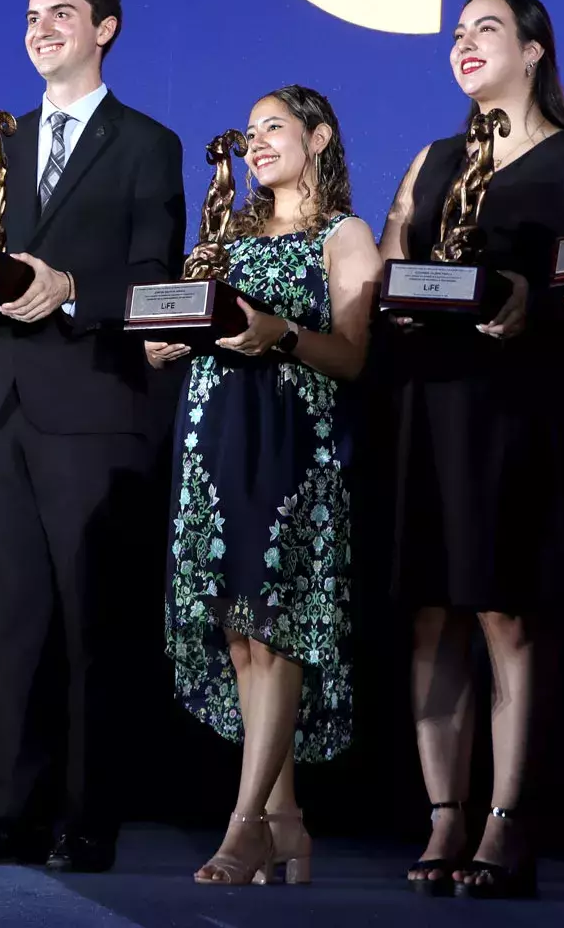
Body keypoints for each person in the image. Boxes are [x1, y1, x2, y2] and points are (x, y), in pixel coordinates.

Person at [0, 0, 185, 874]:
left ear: (104, 29)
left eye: (62, 14)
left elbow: (158, 280)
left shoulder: (149, 143)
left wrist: (74, 289)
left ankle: (88, 819)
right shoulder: (1, 142)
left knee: (92, 629)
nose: (41, 29)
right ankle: (13, 814)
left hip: (91, 406)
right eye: (32, 16)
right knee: (12, 626)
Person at [379, 0, 564, 900]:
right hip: (427, 401)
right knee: (432, 611)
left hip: (517, 406)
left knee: (506, 612)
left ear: (534, 51)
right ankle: (444, 815)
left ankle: (507, 822)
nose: (463, 44)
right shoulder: (430, 159)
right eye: (456, 33)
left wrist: (535, 301)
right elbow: (399, 262)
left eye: (485, 29)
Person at [146, 86, 378, 885]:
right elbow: (176, 324)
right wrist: (166, 344)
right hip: (214, 438)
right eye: (250, 133)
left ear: (319, 137)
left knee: (274, 629)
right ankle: (285, 820)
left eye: (273, 128)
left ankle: (245, 827)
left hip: (292, 445)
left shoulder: (343, 235)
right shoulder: (227, 237)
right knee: (240, 636)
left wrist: (279, 333)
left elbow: (352, 356)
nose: (256, 144)